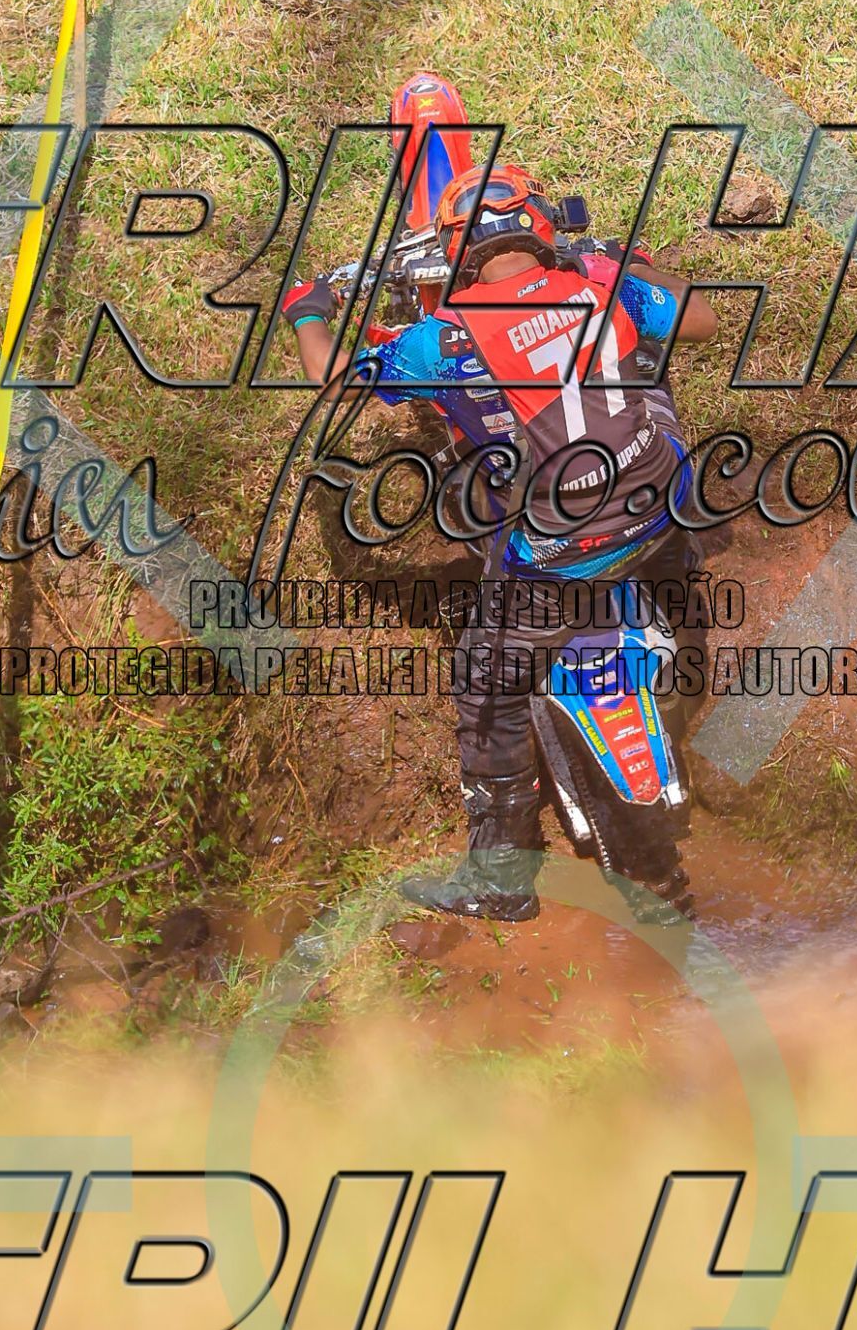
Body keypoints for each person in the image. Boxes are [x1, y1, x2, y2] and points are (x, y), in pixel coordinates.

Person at [282, 163, 720, 923]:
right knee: (650, 395)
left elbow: (332, 379)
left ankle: (501, 877)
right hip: (659, 509)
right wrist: (629, 263)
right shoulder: (602, 289)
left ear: (457, 255)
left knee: (488, 681)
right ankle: (675, 595)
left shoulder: (446, 339)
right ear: (543, 228)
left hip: (563, 555)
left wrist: (306, 311)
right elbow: (702, 319)